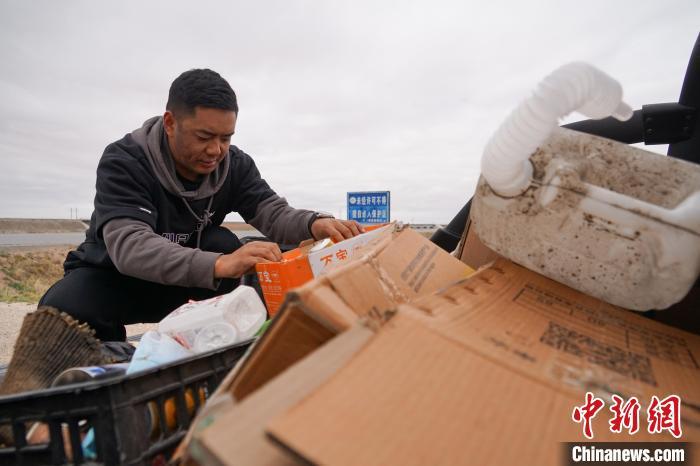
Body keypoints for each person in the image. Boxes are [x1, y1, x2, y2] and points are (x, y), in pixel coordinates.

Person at [40, 68, 363, 342]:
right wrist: (219, 265)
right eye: (204, 136)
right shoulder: (125, 160)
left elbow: (270, 211)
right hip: (117, 275)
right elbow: (131, 246)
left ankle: (208, 358)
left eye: (226, 138)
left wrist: (314, 222)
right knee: (63, 308)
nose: (216, 150)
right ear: (170, 122)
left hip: (192, 279)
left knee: (228, 245)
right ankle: (106, 378)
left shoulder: (234, 165)